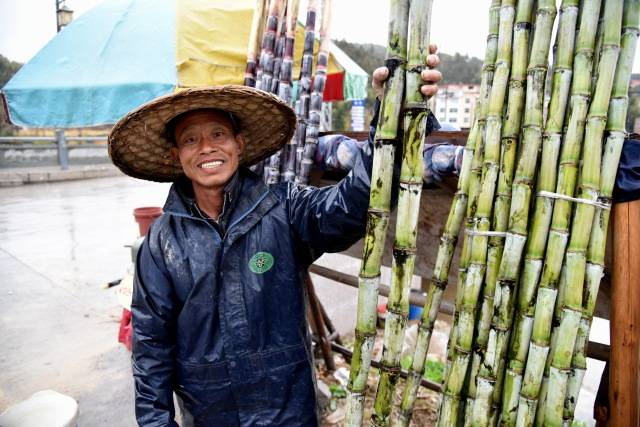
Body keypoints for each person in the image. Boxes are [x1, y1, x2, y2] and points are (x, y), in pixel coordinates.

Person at [108, 47, 441, 427]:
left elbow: (352, 204)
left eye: (218, 134)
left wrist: (391, 119)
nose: (206, 148)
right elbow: (151, 349)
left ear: (240, 144)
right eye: (190, 139)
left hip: (288, 412)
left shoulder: (283, 210)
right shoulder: (161, 244)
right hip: (210, 415)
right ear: (175, 155)